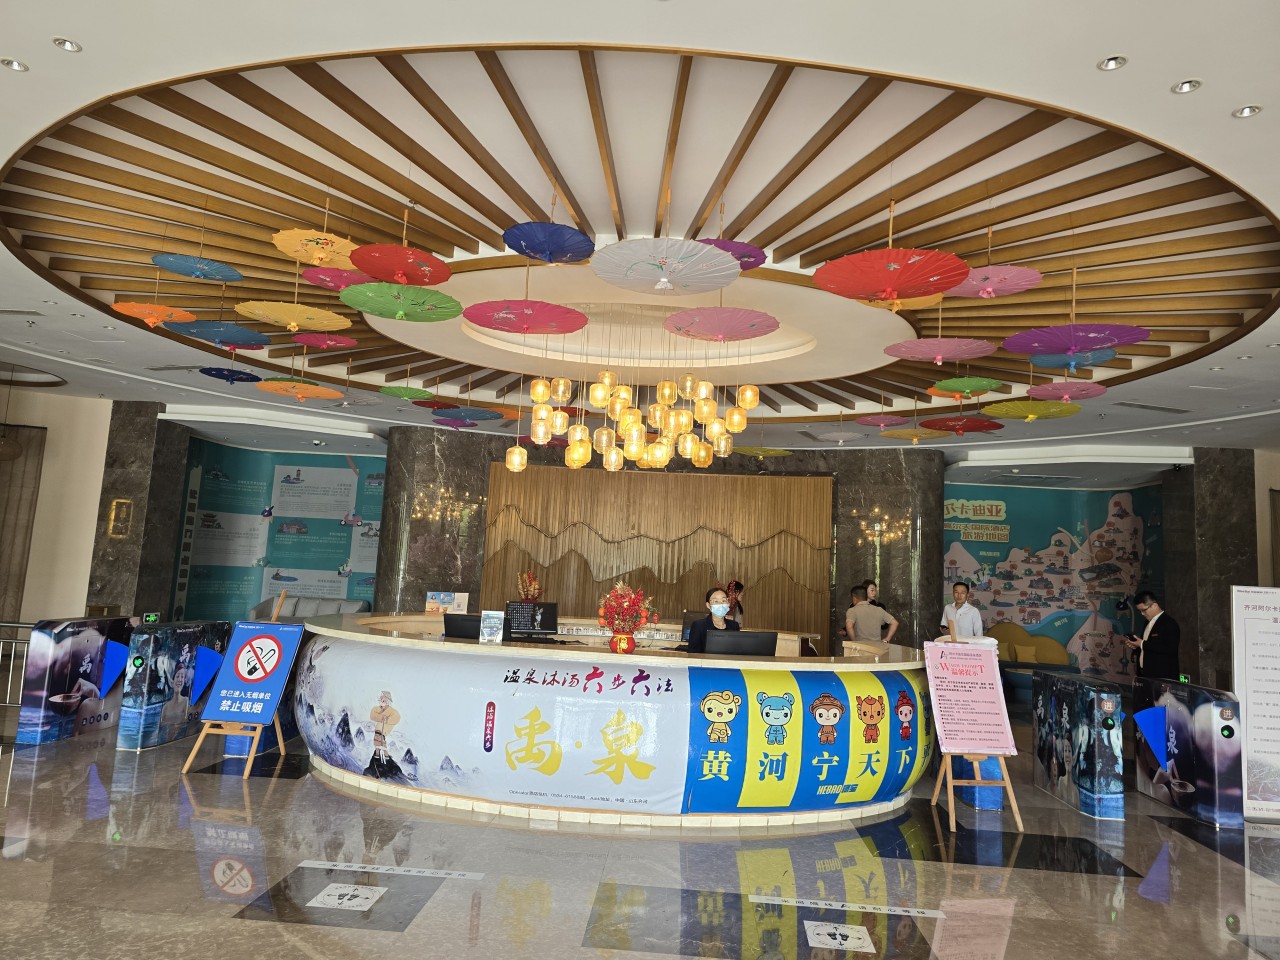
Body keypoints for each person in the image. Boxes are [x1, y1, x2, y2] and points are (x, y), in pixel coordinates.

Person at [1125, 590, 1181, 681]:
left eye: (1144, 610)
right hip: (1145, 675)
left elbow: (1170, 649)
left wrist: (1142, 643)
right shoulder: (1147, 622)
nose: (1142, 613)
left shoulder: (1169, 623)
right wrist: (1136, 646)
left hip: (1162, 677)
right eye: (1140, 611)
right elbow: (1149, 648)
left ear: (1154, 605)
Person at [687, 587, 741, 654]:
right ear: (708, 605)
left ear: (728, 603)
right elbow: (693, 654)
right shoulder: (699, 626)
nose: (721, 604)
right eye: (716, 601)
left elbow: (737, 652)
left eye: (723, 601)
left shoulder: (734, 625)